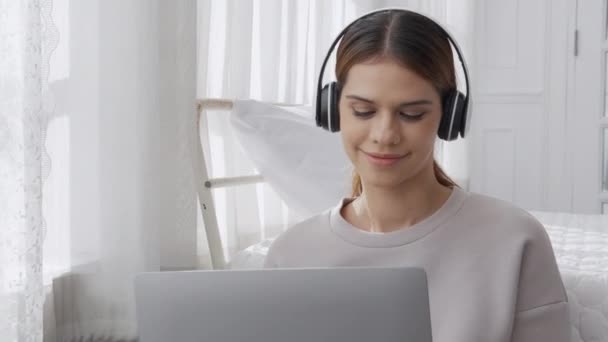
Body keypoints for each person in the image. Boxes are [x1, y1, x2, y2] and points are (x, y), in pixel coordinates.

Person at [263, 8, 570, 342]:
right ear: (332, 110)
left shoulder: (515, 239)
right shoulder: (291, 255)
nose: (384, 134)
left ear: (449, 116)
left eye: (411, 114)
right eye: (363, 111)